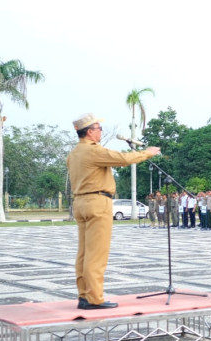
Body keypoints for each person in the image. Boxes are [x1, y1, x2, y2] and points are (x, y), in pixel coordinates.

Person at [67, 114, 159, 310]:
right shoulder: (92, 151)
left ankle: (84, 295)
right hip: (97, 201)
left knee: (84, 253)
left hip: (81, 202)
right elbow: (122, 159)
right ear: (90, 132)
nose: (101, 132)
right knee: (97, 254)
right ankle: (95, 298)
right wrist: (147, 153)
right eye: (99, 128)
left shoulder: (74, 153)